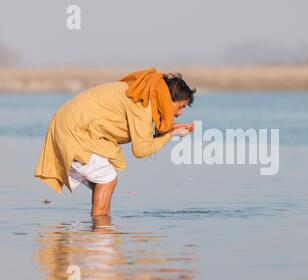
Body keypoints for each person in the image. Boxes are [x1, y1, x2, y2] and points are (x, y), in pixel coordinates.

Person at [34, 67, 196, 216]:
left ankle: (98, 236)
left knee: (103, 180)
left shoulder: (144, 92)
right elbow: (141, 150)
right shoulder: (143, 103)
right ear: (169, 100)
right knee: (107, 177)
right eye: (180, 106)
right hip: (74, 132)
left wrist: (168, 132)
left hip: (70, 127)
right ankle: (101, 230)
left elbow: (144, 139)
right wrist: (171, 133)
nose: (180, 113)